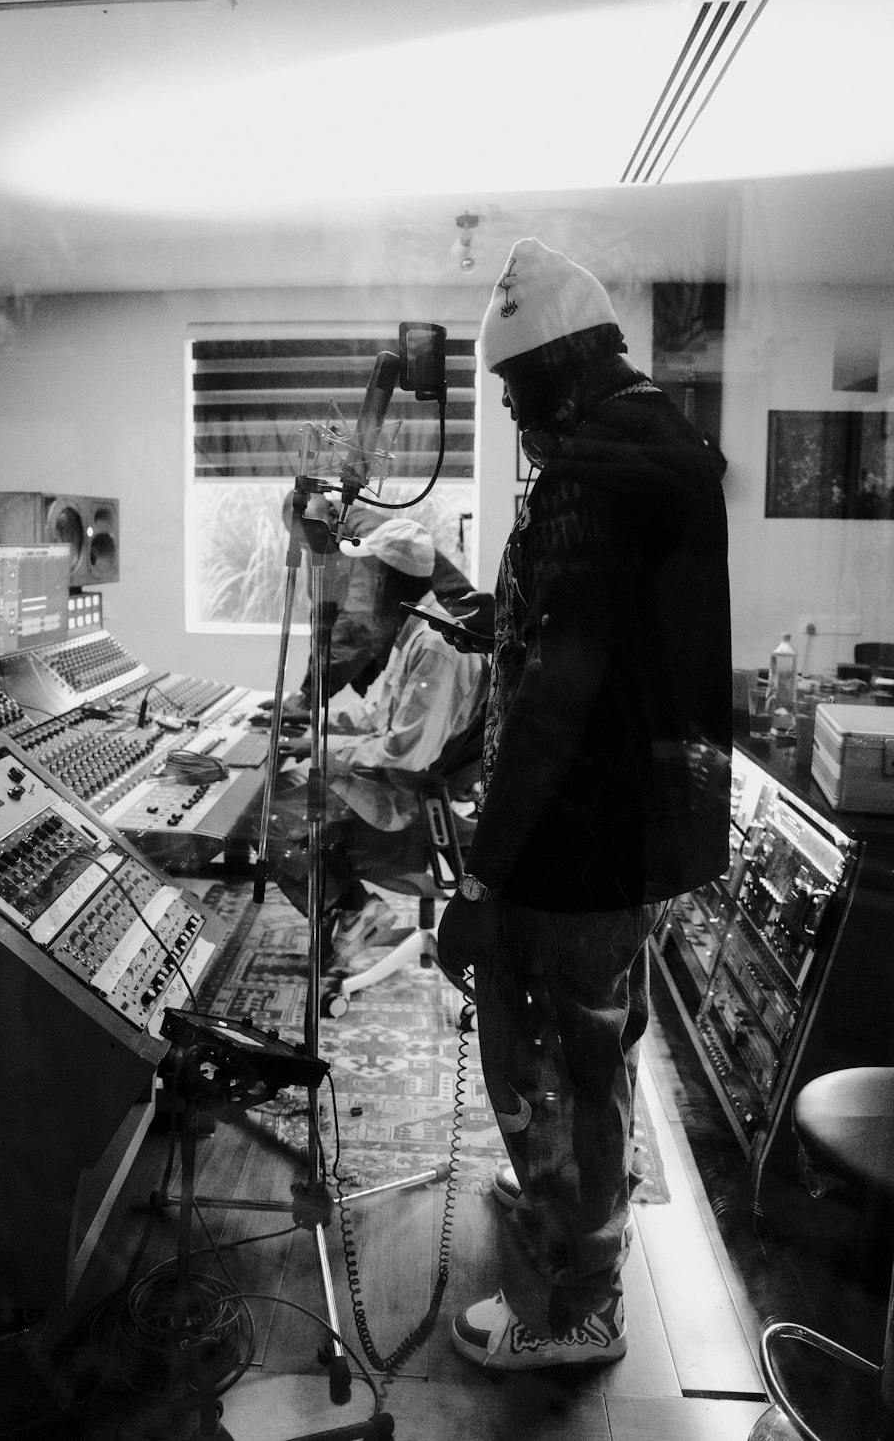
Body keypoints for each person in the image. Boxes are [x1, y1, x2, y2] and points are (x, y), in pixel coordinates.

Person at [437, 239, 733, 1371]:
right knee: (598, 1063)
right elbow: (561, 644)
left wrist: (480, 880)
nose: (515, 416)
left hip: (564, 850)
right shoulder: (650, 455)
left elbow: (556, 705)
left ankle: (573, 1310)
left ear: (561, 367)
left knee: (552, 1071)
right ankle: (582, 1249)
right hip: (618, 840)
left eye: (516, 389)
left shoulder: (588, 482)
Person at [262, 516, 489, 956]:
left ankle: (353, 909)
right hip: (400, 785)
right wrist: (317, 727)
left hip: (409, 802)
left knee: (274, 821)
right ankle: (353, 911)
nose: (358, 587)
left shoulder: (437, 647)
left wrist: (320, 748)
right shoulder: (416, 632)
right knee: (285, 791)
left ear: (385, 578)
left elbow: (407, 753)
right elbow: (377, 714)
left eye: (365, 574)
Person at [277, 492, 489, 714]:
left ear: (332, 513)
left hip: (457, 644)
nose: (312, 548)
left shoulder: (369, 540)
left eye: (313, 539)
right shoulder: (320, 537)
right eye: (305, 545)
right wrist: (307, 694)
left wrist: (310, 697)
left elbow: (358, 625)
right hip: (423, 635)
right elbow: (323, 617)